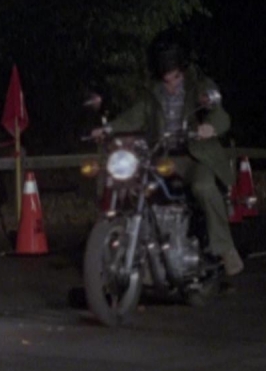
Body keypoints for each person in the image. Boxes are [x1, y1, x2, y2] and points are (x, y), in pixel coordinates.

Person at [91, 42, 243, 276]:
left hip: (194, 156)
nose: (171, 83)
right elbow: (135, 115)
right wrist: (108, 128)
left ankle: (226, 249)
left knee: (203, 187)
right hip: (161, 157)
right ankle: (143, 254)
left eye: (175, 77)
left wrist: (210, 127)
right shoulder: (154, 94)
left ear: (182, 70)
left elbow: (219, 112)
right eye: (166, 78)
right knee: (136, 189)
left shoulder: (199, 87)